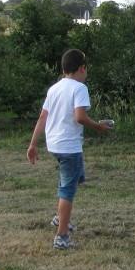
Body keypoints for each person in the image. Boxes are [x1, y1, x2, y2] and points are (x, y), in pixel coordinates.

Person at [26, 48, 112, 250]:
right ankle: (61, 236)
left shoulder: (54, 88)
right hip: (68, 147)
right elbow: (80, 117)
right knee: (68, 189)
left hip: (54, 145)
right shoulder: (79, 88)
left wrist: (32, 144)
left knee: (74, 177)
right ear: (82, 68)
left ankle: (60, 217)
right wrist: (99, 126)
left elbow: (42, 117)